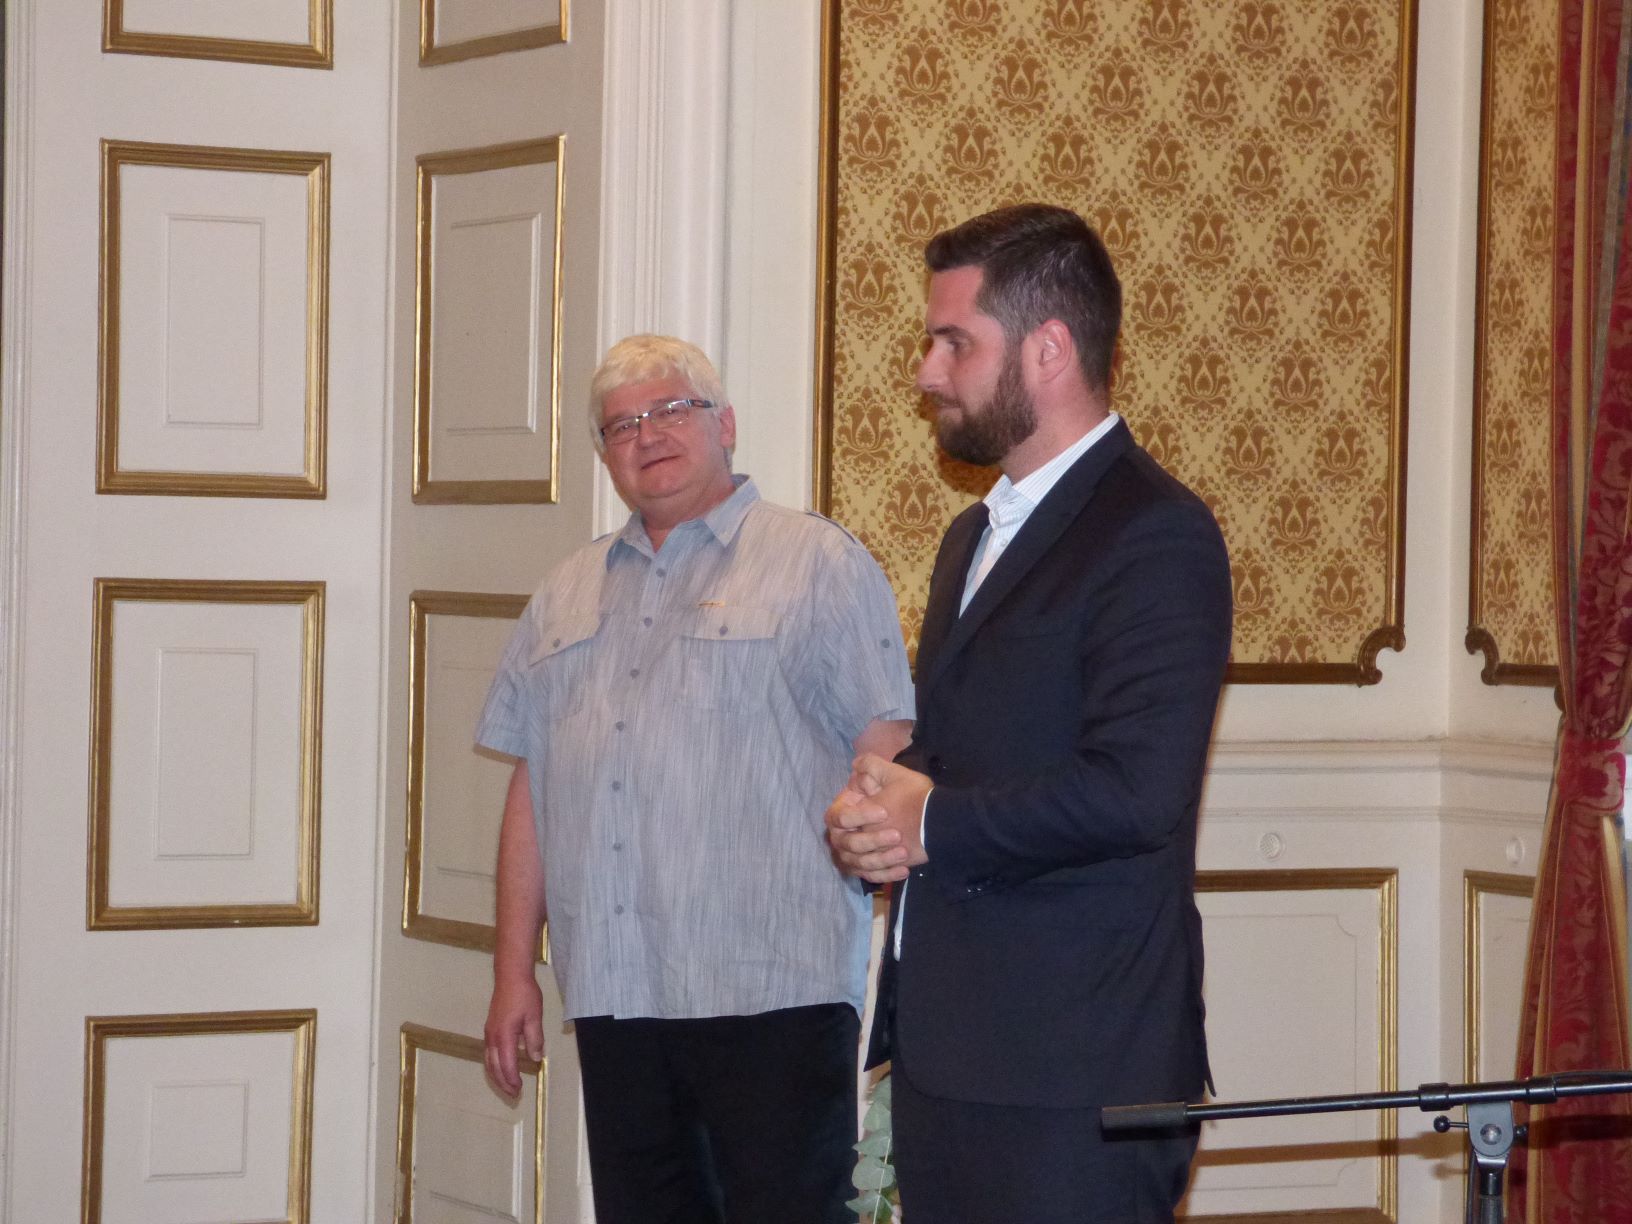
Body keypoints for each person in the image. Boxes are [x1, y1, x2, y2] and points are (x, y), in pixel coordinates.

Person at [827, 204, 1232, 1222]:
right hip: (953, 1059)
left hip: (1077, 1071)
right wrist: (881, 808)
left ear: (1048, 350)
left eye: (954, 342)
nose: (926, 370)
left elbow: (1136, 791)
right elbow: (977, 752)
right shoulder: (970, 538)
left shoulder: (1157, 533)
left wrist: (928, 819)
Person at [478, 334, 914, 1224]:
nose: (649, 434)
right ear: (605, 455)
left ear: (726, 425)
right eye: (622, 425)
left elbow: (889, 753)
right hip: (619, 993)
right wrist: (513, 970)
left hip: (772, 994)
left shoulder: (816, 563)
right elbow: (535, 789)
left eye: (672, 409)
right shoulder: (563, 592)